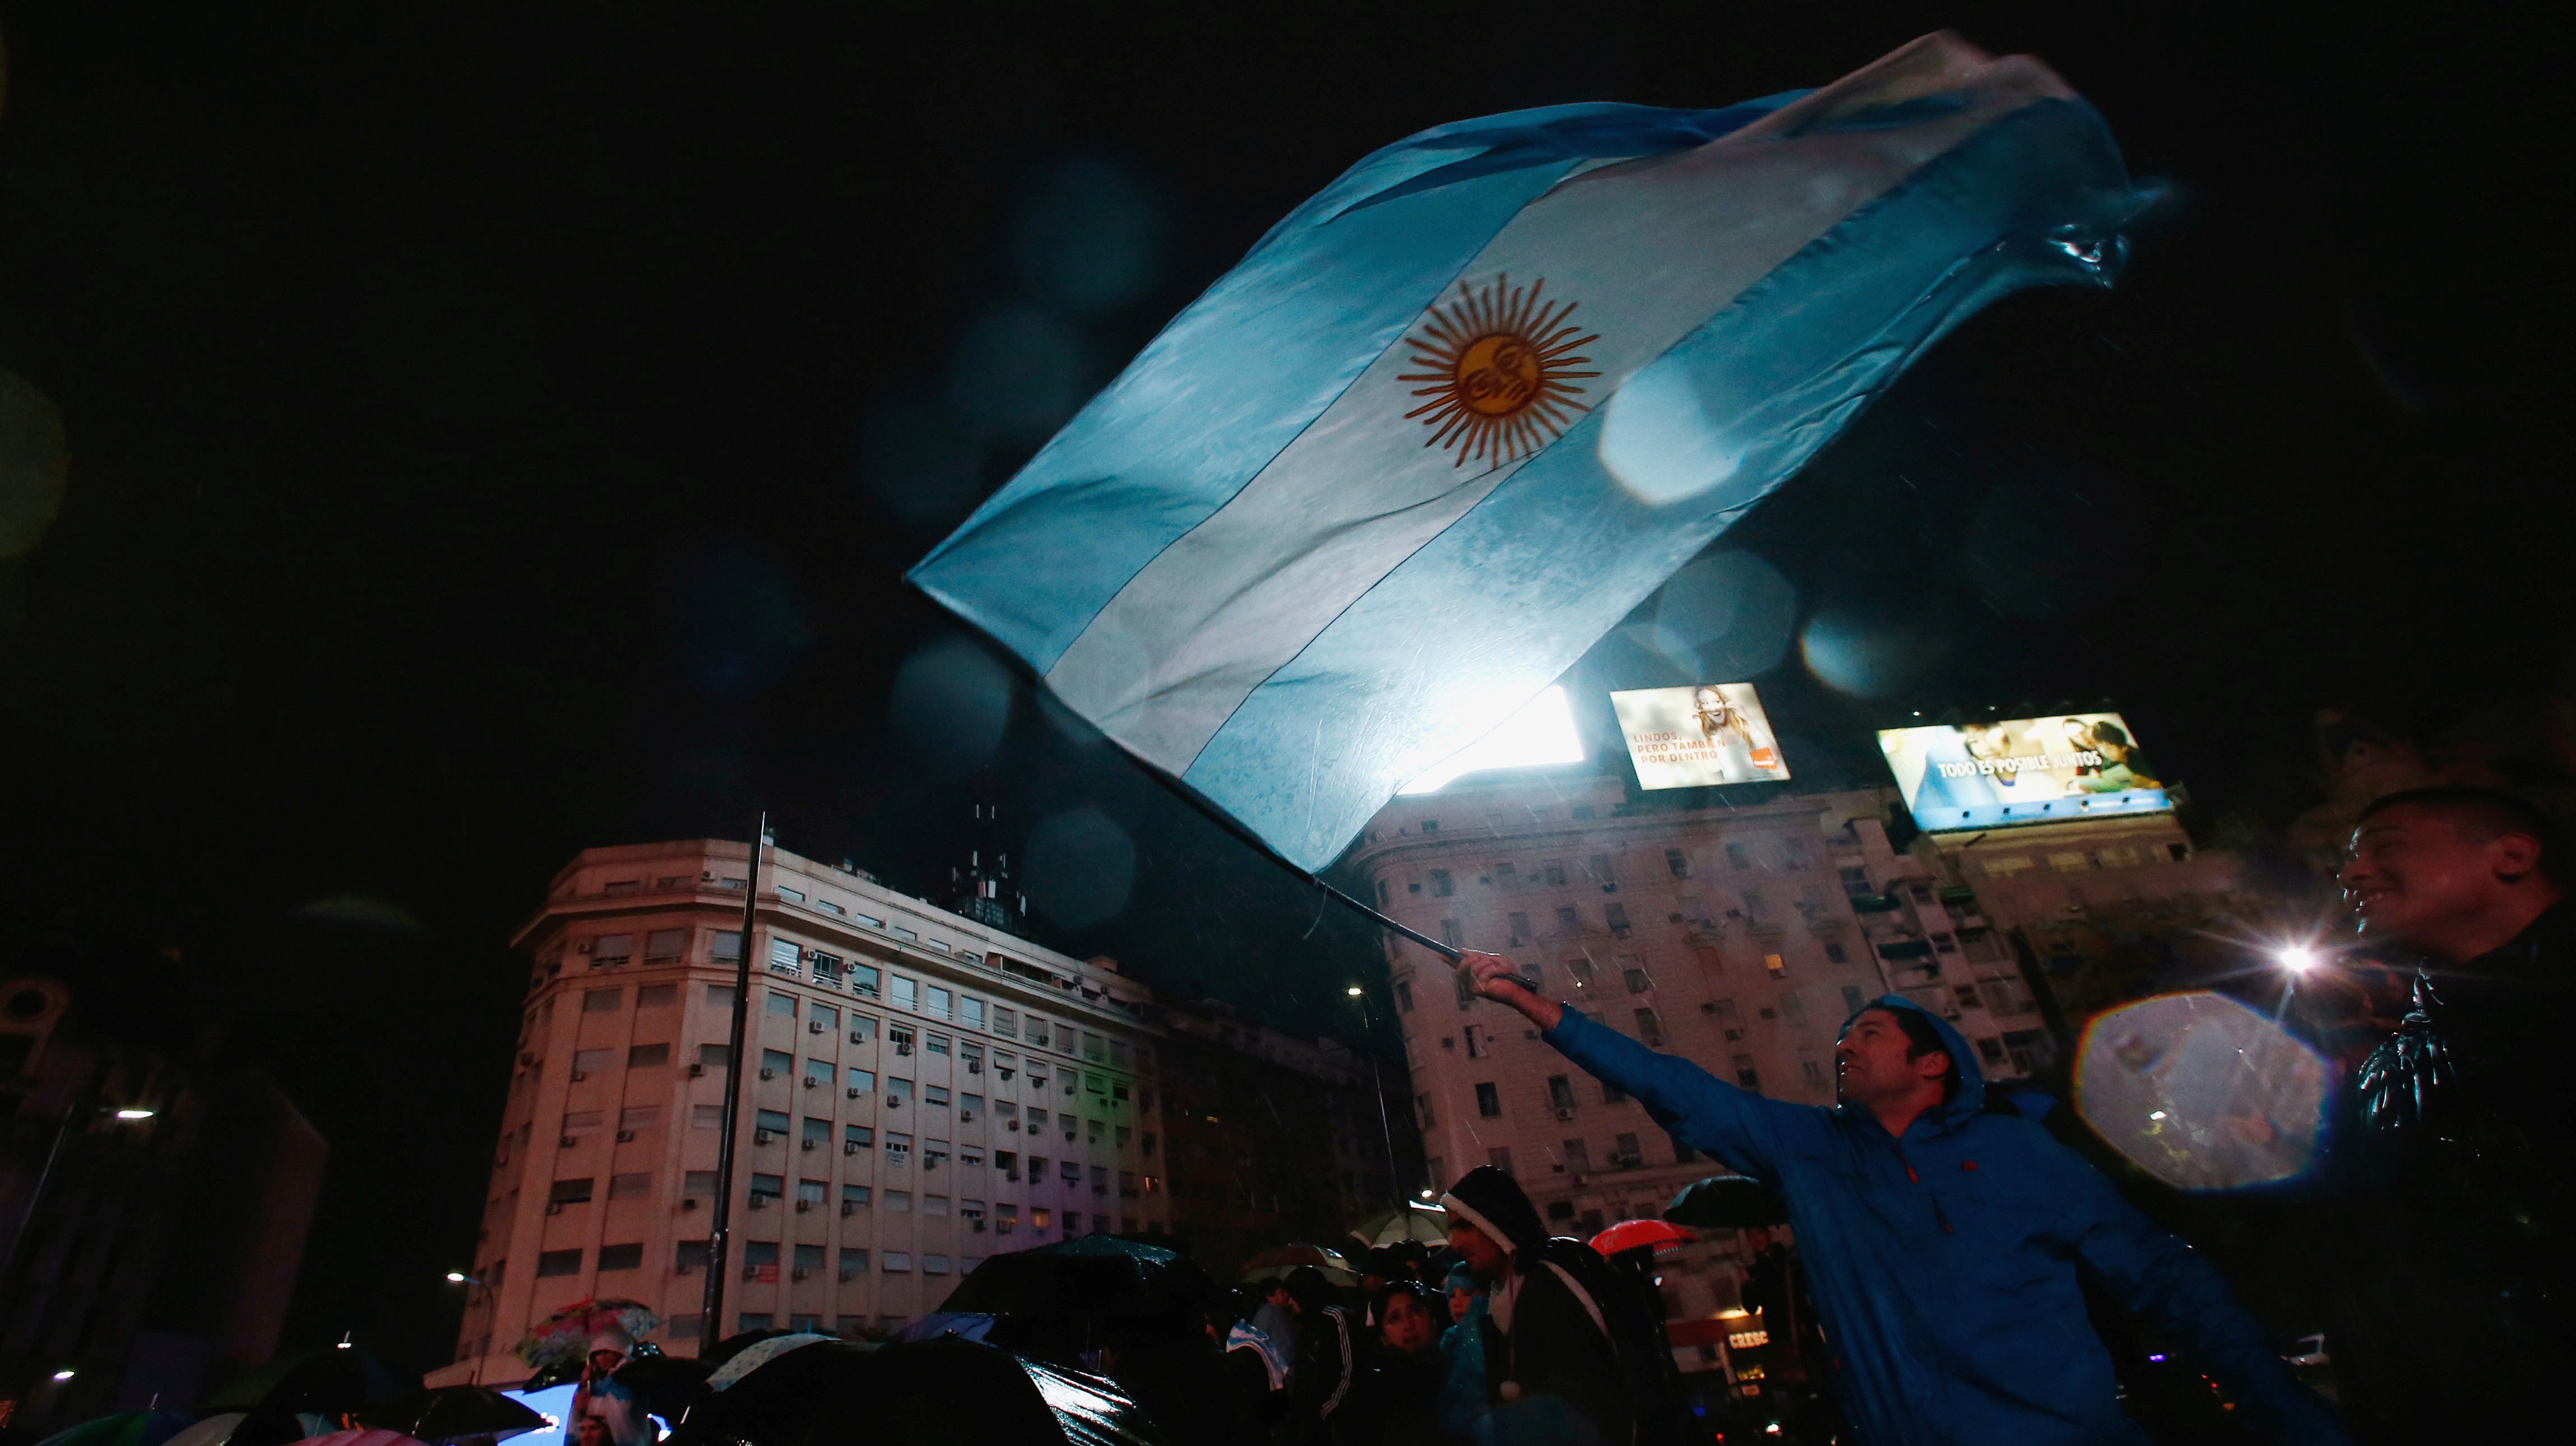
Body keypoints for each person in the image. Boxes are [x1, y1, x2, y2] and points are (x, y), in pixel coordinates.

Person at [1456, 951, 2350, 1446]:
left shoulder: (2023, 1156)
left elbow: (2165, 1282)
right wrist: (1534, 1006)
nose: (1846, 1047)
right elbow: (1677, 1086)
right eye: (1843, 1038)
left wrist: (2286, 1414)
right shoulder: (1808, 1151)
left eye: (1869, 1034)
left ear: (1934, 1063)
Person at [2329, 785, 2571, 1438]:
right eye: (2348, 860)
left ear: (2513, 855)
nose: (2352, 873)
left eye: (2385, 848)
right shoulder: (2402, 1061)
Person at [1441, 1166, 1631, 1446]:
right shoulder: (1500, 1302)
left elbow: (1596, 1398)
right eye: (1453, 1230)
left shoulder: (1553, 1280)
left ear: (1496, 1222)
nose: (1455, 1243)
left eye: (1465, 1226)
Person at [1335, 1281, 1458, 1446]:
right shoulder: (1371, 1395)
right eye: (1395, 1319)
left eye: (1415, 1312)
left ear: (1432, 1319)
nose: (1408, 1325)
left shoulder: (1460, 1371)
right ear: (1383, 1336)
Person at [1282, 1265, 1356, 1442]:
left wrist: (1327, 1410)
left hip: (1335, 1423)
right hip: (1313, 1423)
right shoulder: (1308, 1325)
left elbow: (1350, 1370)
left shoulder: (1336, 1318)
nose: (1289, 1302)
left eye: (1293, 1296)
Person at [568, 1327, 649, 1446]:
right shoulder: (593, 1384)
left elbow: (621, 1420)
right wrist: (584, 1388)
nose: (603, 1358)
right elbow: (576, 1424)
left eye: (607, 1352)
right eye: (599, 1353)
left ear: (620, 1353)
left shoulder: (629, 1379)